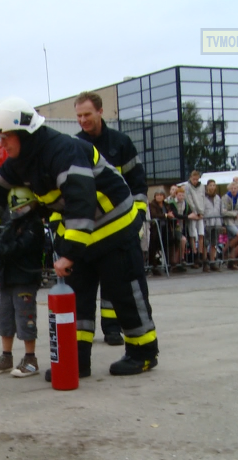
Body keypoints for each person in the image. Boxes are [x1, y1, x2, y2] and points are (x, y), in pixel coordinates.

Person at [0, 96, 157, 378]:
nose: (2, 143)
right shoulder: (21, 160)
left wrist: (69, 252)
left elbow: (80, 198)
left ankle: (143, 353)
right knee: (79, 298)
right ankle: (76, 360)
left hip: (115, 228)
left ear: (24, 133)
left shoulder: (63, 150)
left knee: (125, 294)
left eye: (5, 136)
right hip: (83, 236)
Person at [75, 91, 149, 344]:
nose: (83, 120)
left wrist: (137, 220)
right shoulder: (75, 147)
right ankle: (85, 336)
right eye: (79, 116)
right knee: (85, 286)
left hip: (120, 227)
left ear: (100, 112)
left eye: (87, 114)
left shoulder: (121, 143)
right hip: (90, 229)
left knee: (116, 283)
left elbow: (137, 183)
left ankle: (112, 328)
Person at [0, 187, 45, 377]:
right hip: (8, 278)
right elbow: (2, 243)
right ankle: (6, 357)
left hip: (25, 279)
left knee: (26, 318)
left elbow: (18, 247)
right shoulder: (13, 223)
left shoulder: (34, 226)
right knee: (5, 319)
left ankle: (30, 359)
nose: (16, 211)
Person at [220, 179, 238, 270]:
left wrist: (237, 213)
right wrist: (234, 213)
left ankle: (231, 260)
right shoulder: (225, 197)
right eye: (232, 188)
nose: (234, 190)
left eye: (235, 188)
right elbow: (223, 212)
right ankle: (224, 253)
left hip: (237, 222)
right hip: (228, 221)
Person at [184, 171, 207, 269]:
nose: (195, 181)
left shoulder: (202, 187)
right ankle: (195, 253)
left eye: (197, 179)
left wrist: (202, 212)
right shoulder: (187, 186)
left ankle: (201, 253)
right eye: (194, 179)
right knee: (193, 234)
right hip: (193, 213)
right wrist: (195, 211)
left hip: (200, 213)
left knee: (201, 233)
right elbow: (189, 199)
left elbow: (203, 198)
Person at [200, 179, 224, 272]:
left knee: (214, 243)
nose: (212, 187)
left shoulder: (218, 197)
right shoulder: (204, 197)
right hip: (207, 222)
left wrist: (221, 223)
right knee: (206, 243)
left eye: (214, 185)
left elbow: (220, 210)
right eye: (211, 185)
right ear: (207, 186)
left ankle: (212, 262)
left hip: (216, 222)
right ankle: (205, 262)